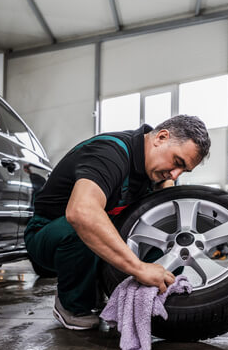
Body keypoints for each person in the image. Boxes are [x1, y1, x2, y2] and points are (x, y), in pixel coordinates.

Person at [24, 115, 211, 330]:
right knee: (82, 225)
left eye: (183, 170)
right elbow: (81, 212)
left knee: (165, 242)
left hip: (104, 233)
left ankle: (122, 295)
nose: (176, 173)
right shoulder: (109, 153)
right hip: (48, 235)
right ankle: (71, 305)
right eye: (177, 162)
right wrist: (139, 268)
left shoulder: (156, 169)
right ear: (161, 137)